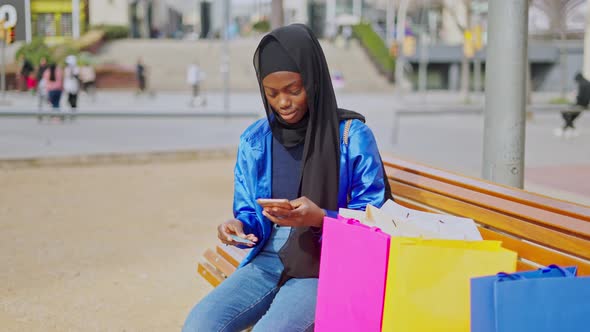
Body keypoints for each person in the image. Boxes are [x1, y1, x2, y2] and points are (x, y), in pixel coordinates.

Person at [182, 24, 392, 332]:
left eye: (294, 90)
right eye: (272, 93)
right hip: (267, 258)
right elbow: (249, 214)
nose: (283, 102)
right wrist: (238, 226)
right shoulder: (256, 140)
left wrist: (322, 217)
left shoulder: (350, 136)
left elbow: (374, 218)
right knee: (200, 325)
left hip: (324, 266)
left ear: (314, 80)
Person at [555, 72, 589, 138]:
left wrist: (576, 97)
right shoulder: (588, 83)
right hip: (586, 104)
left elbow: (580, 96)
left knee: (564, 112)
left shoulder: (582, 84)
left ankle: (571, 128)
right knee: (571, 116)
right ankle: (567, 128)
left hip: (580, 104)